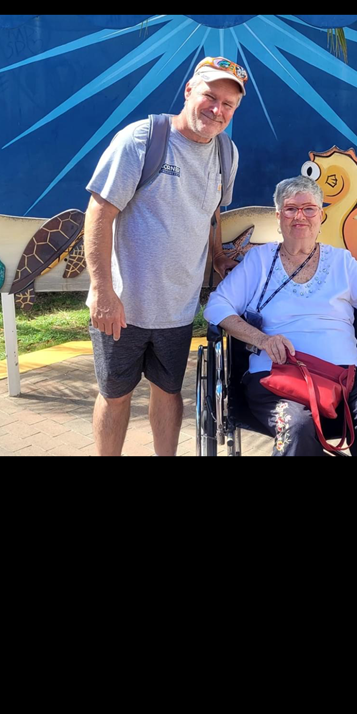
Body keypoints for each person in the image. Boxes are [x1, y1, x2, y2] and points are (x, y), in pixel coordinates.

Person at [84, 55, 248, 456]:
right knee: (115, 395)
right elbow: (99, 214)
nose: (217, 110)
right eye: (210, 97)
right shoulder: (141, 140)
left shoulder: (227, 153)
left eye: (228, 104)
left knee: (169, 391)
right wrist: (103, 292)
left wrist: (217, 257)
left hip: (178, 310)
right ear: (189, 90)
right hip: (122, 309)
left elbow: (212, 212)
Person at [204, 175, 357, 456]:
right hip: (278, 377)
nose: (299, 216)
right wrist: (262, 340)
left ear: (321, 216)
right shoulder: (258, 261)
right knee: (297, 426)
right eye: (290, 209)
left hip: (347, 378)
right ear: (278, 217)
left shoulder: (341, 262)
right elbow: (218, 306)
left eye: (309, 209)